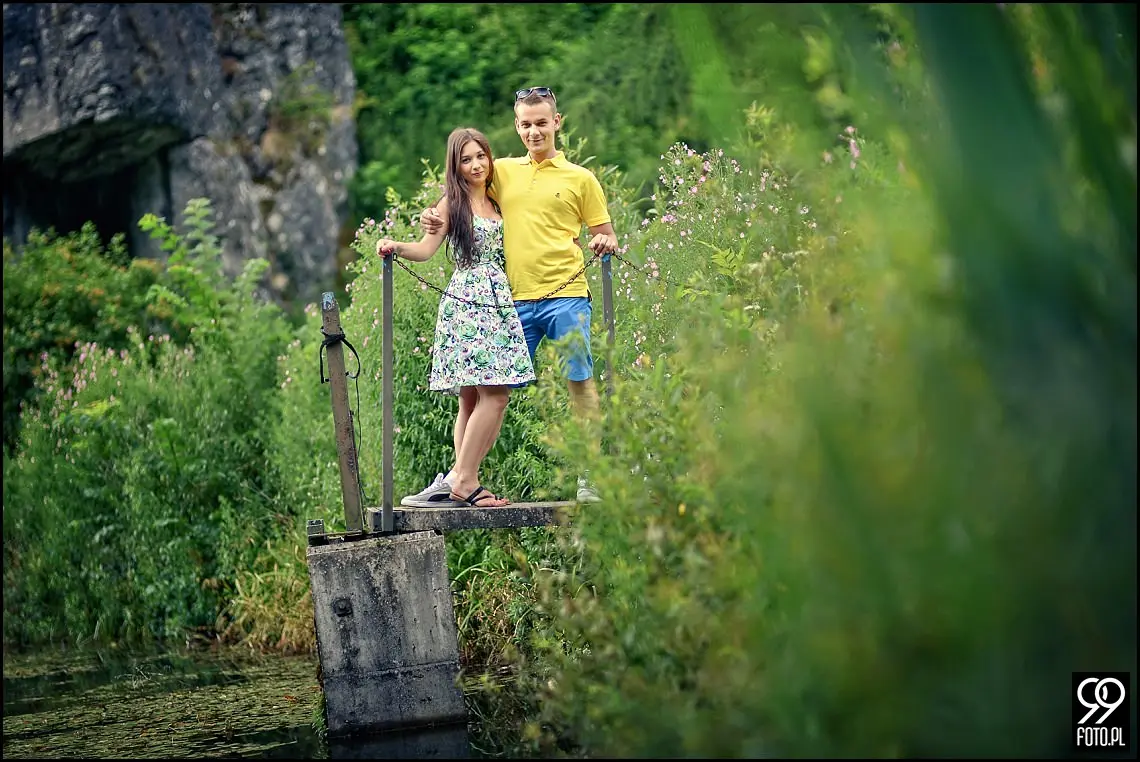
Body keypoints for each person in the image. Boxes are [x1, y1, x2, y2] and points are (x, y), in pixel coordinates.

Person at [402, 86, 618, 508]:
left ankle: (590, 474)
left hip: (566, 293)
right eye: (525, 124)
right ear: (516, 126)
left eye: (541, 122)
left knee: (579, 379)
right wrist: (430, 214)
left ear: (557, 122)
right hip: (511, 303)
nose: (534, 131)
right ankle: (457, 478)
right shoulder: (501, 170)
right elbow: (461, 192)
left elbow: (604, 231)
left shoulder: (581, 179)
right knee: (483, 390)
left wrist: (605, 243)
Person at [374, 127, 535, 508]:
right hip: (469, 300)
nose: (476, 164)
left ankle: (459, 477)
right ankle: (465, 480)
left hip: (498, 301)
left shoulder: (498, 199)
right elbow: (427, 249)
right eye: (466, 159)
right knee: (493, 394)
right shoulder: (452, 202)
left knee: (470, 398)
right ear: (456, 165)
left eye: (481, 156)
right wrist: (395, 245)